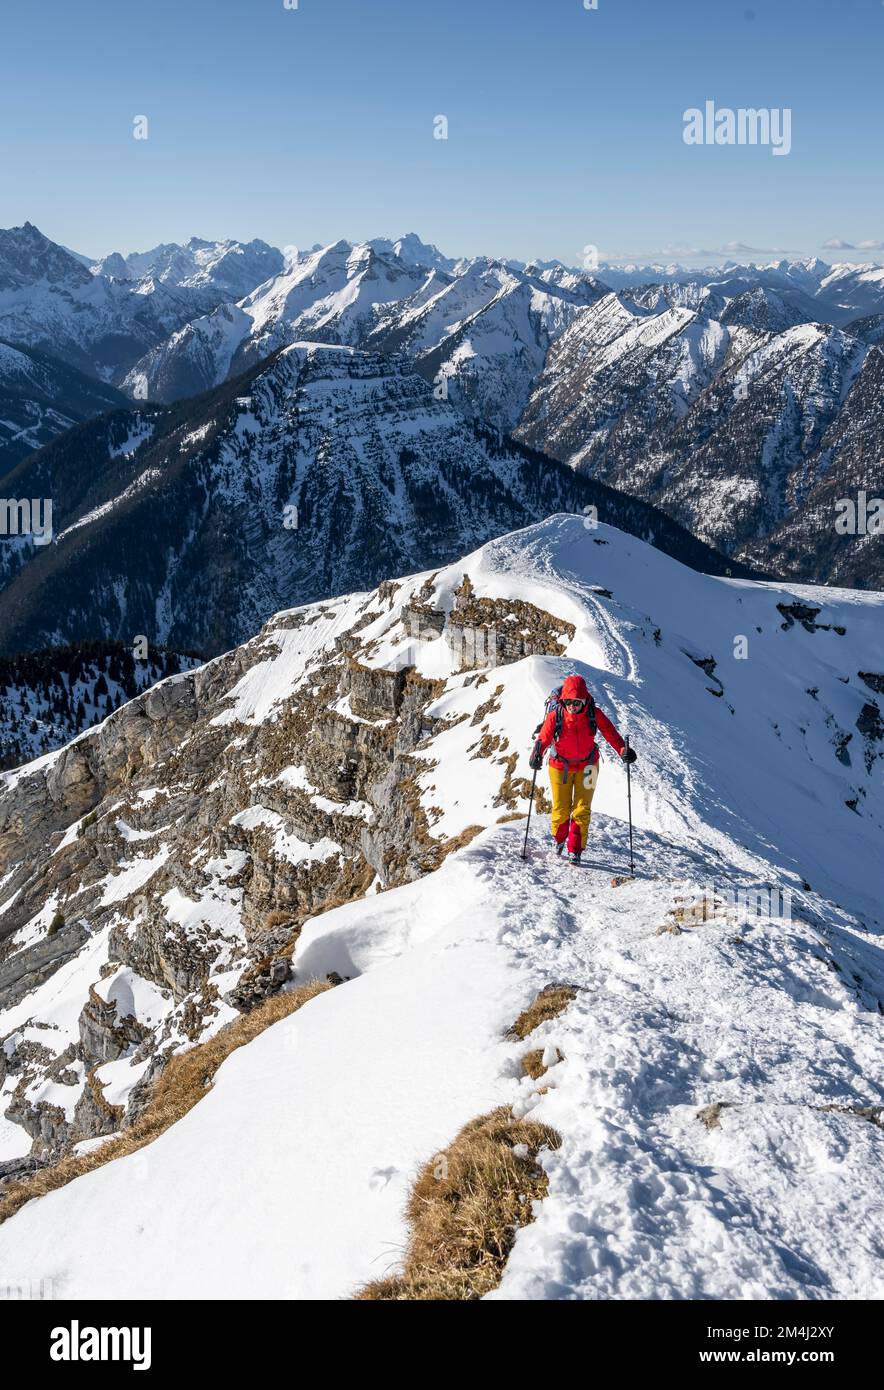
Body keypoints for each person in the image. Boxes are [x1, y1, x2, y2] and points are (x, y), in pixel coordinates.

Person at [529, 674, 636, 864]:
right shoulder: (556, 715)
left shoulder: (594, 714)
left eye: (576, 701)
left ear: (585, 699)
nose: (572, 705)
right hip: (560, 766)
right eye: (568, 701)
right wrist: (536, 755)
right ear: (563, 700)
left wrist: (623, 750)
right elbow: (543, 738)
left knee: (582, 809)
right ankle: (559, 839)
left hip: (589, 766)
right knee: (561, 808)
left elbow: (611, 733)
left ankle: (575, 850)